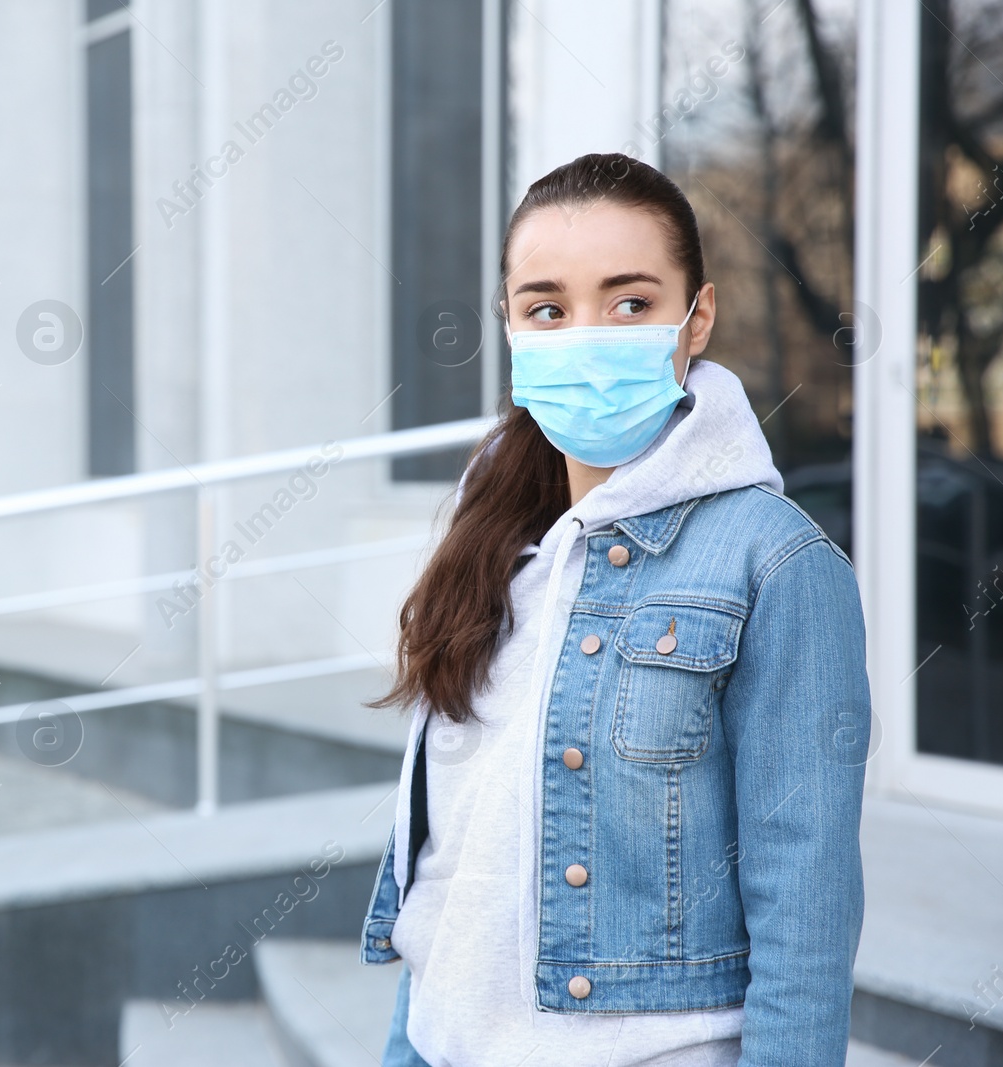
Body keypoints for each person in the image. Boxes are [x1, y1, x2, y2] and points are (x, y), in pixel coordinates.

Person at [359, 152, 871, 1066]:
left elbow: (807, 900)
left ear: (696, 317)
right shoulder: (495, 545)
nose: (586, 333)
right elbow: (451, 868)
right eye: (548, 307)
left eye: (631, 303)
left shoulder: (778, 561)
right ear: (512, 326)